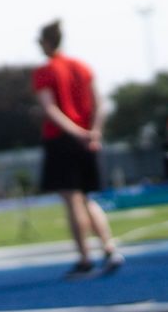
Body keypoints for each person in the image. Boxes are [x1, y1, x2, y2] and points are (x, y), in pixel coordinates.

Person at [33, 21, 120, 275]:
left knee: (72, 200)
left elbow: (50, 109)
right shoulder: (82, 67)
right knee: (86, 197)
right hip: (87, 138)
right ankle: (109, 248)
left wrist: (78, 133)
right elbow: (100, 103)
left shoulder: (46, 71)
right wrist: (94, 132)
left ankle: (85, 259)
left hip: (63, 139)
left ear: (47, 42)